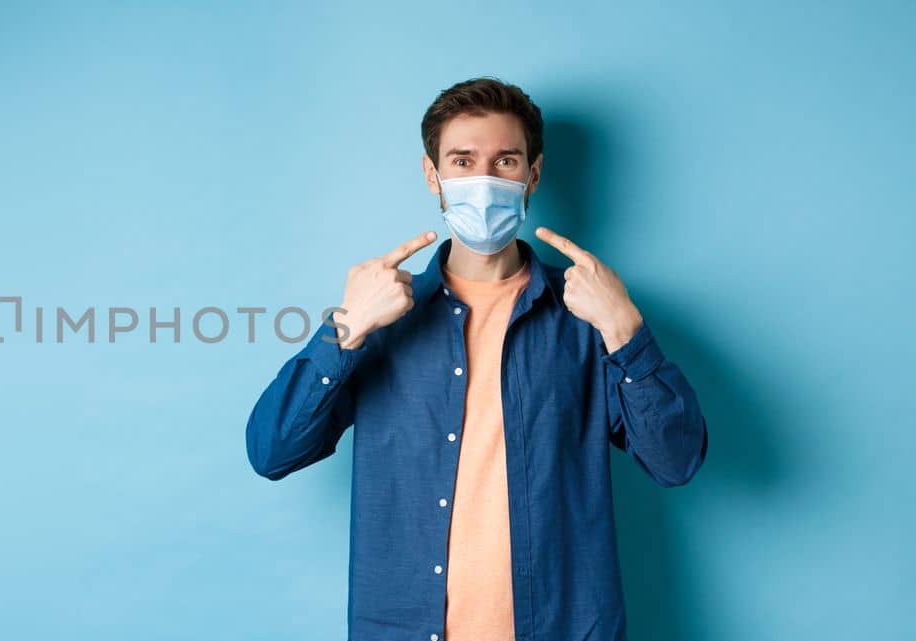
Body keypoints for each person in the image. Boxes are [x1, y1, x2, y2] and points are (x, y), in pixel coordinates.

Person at [244, 77, 708, 641]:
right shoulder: (383, 320)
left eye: (504, 160)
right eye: (462, 161)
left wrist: (624, 329)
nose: (483, 181)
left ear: (532, 175)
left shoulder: (587, 316)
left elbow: (675, 461)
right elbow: (271, 451)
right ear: (432, 175)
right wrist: (345, 328)